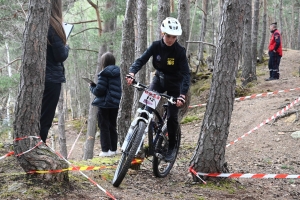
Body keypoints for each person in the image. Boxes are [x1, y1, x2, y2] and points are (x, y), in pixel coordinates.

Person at [126, 17, 190, 162]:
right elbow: (141, 60)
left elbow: (186, 74)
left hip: (175, 84)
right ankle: (137, 144)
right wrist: (132, 72)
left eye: (174, 37)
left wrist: (182, 95)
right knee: (145, 109)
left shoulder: (180, 51)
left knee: (172, 117)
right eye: (168, 36)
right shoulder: (155, 46)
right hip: (159, 80)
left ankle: (172, 147)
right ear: (163, 33)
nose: (170, 39)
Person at [40, 0, 69, 143]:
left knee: (40, 118)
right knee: (45, 120)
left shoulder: (41, 23)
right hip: (52, 79)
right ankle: (38, 149)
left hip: (42, 77)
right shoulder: (54, 25)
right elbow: (60, 56)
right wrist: (66, 46)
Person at [90, 52, 122, 157]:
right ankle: (113, 149)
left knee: (103, 126)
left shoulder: (104, 73)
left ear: (103, 62)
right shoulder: (118, 73)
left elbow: (99, 91)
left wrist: (91, 87)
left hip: (104, 104)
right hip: (115, 104)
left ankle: (105, 150)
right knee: (112, 126)